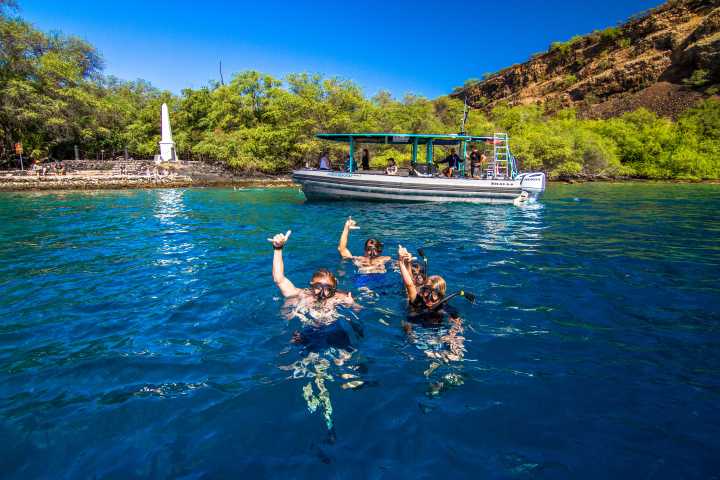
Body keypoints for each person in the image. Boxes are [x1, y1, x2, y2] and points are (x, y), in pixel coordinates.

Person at [269, 230, 358, 319]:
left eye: (328, 289)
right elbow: (279, 279)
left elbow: (359, 309)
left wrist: (352, 304)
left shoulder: (340, 298)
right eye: (318, 287)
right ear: (312, 285)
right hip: (307, 329)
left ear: (334, 288)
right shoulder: (303, 295)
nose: (322, 293)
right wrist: (278, 249)